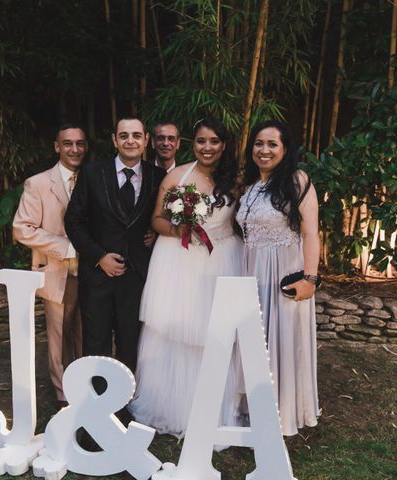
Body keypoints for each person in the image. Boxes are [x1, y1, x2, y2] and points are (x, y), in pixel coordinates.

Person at [129, 117, 243, 437]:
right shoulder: (178, 176)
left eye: (214, 141)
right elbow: (155, 220)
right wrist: (179, 228)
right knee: (175, 331)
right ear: (192, 144)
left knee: (213, 333)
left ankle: (213, 407)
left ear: (224, 144)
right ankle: (171, 405)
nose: (207, 148)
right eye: (201, 141)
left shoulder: (235, 180)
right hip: (178, 260)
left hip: (222, 259)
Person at [236, 119, 320, 436]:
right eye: (259, 143)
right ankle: (254, 408)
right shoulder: (250, 184)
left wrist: (310, 279)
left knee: (281, 341)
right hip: (252, 271)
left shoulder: (298, 181)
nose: (264, 150)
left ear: (285, 149)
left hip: (283, 273)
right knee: (256, 340)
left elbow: (312, 234)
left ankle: (281, 411)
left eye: (272, 144)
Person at [64, 117, 166, 375]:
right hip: (98, 275)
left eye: (135, 135)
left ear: (146, 140)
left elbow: (161, 217)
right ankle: (96, 403)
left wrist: (155, 232)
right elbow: (74, 221)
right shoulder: (91, 173)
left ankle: (127, 403)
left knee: (131, 343)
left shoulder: (159, 176)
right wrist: (99, 256)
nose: (130, 141)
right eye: (123, 136)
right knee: (95, 343)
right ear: (114, 140)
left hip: (137, 276)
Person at [13, 123, 86, 407]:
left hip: (90, 271)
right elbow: (23, 228)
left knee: (83, 332)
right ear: (57, 147)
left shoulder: (92, 178)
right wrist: (66, 247)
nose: (75, 149)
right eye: (68, 143)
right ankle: (63, 395)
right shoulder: (39, 183)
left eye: (80, 143)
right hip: (57, 269)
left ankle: (82, 386)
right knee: (58, 335)